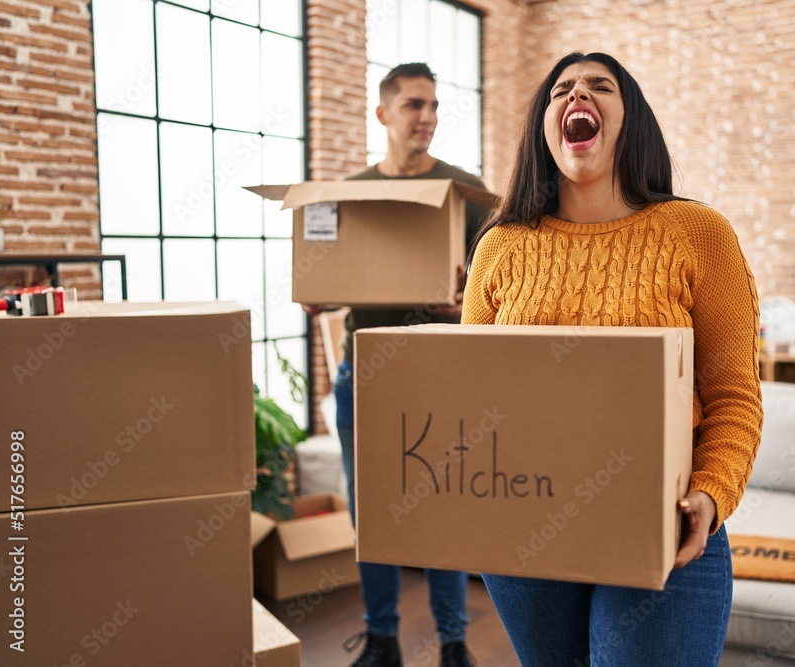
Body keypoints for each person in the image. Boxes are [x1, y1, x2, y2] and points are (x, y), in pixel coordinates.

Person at [461, 52, 763, 666]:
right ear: (544, 128)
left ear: (632, 121)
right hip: (525, 529)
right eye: (560, 92)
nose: (578, 95)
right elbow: (474, 397)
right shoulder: (499, 247)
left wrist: (710, 493)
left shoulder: (698, 235)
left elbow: (734, 394)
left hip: (667, 530)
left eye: (601, 87)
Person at [308, 63, 487, 667]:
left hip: (443, 369)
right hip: (368, 371)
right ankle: (382, 639)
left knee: (444, 503)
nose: (427, 117)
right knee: (374, 507)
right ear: (383, 113)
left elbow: (500, 293)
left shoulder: (466, 192)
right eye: (414, 105)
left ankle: (455, 642)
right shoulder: (350, 195)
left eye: (434, 106)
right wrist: (317, 293)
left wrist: (461, 303)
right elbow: (322, 282)